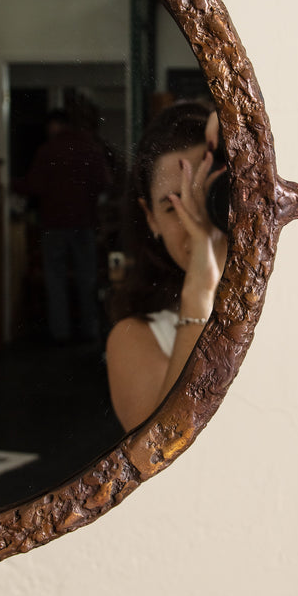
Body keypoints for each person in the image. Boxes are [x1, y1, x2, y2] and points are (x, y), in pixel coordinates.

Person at [106, 101, 227, 432]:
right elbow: (161, 451)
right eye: (174, 207)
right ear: (150, 218)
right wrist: (201, 290)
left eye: (205, 196)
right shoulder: (136, 337)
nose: (196, 221)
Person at [14, 108, 112, 344]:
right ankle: (89, 331)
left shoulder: (47, 150)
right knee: (86, 277)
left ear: (54, 126)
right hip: (84, 222)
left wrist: (14, 184)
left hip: (54, 224)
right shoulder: (90, 148)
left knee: (55, 279)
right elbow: (105, 182)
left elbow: (34, 185)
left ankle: (60, 333)